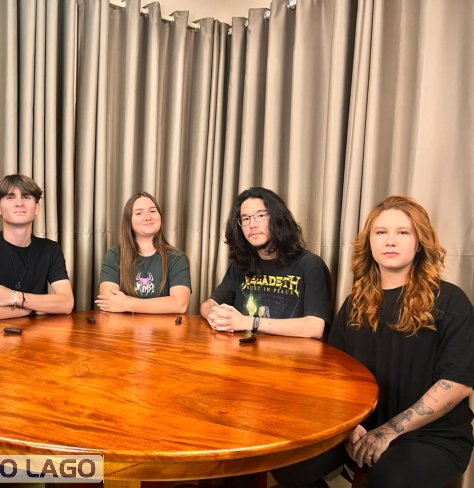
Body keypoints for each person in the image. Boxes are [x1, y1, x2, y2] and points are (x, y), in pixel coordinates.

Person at [274, 195, 474, 488]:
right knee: (287, 463)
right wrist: (348, 425)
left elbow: (456, 384)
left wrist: (387, 432)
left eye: (403, 232)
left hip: (432, 436)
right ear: (369, 242)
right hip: (357, 426)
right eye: (381, 232)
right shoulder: (355, 304)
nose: (390, 241)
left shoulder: (451, 300)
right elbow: (334, 374)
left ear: (420, 243)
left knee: (390, 480)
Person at [200, 187, 332, 338]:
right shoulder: (241, 265)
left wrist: (249, 322)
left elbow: (315, 327)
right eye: (245, 219)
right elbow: (208, 304)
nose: (252, 224)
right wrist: (214, 316)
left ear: (278, 218)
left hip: (291, 353)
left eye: (260, 215)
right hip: (242, 350)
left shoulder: (310, 265)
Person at [0, 174, 74, 320]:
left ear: (37, 208)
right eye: (10, 197)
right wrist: (31, 308)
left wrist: (15, 297)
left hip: (39, 332)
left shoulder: (50, 249)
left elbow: (66, 303)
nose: (19, 203)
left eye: (26, 197)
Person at [95, 192, 191, 314]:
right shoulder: (114, 255)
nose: (148, 217)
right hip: (123, 326)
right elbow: (109, 302)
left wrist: (129, 304)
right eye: (139, 213)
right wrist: (161, 305)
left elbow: (180, 305)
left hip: (165, 326)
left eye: (152, 211)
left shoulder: (177, 258)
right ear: (129, 221)